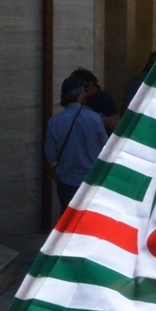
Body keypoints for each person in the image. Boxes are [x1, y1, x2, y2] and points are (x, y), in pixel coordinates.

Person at [44, 76, 108, 212]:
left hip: (67, 183)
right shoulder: (95, 119)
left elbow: (50, 156)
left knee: (67, 226)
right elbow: (106, 149)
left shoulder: (54, 122)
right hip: (91, 182)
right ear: (80, 94)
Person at [70, 68, 120, 133]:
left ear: (91, 83)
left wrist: (93, 115)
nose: (82, 93)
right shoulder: (77, 98)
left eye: (84, 89)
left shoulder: (105, 99)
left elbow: (116, 124)